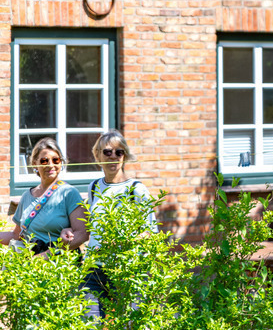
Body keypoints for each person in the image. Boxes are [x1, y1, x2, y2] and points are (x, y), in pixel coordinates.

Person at [82, 130, 156, 319]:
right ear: (98, 156)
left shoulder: (136, 190)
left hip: (126, 269)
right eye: (107, 152)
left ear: (125, 156)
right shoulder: (94, 187)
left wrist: (121, 243)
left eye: (119, 152)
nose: (113, 156)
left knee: (130, 329)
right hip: (94, 270)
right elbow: (90, 226)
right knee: (89, 328)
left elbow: (150, 233)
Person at [0, 138, 87, 255]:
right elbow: (16, 235)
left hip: (59, 263)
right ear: (35, 163)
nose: (51, 165)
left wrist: (46, 256)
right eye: (44, 161)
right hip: (32, 262)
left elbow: (82, 234)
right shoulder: (27, 196)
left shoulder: (69, 193)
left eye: (56, 160)